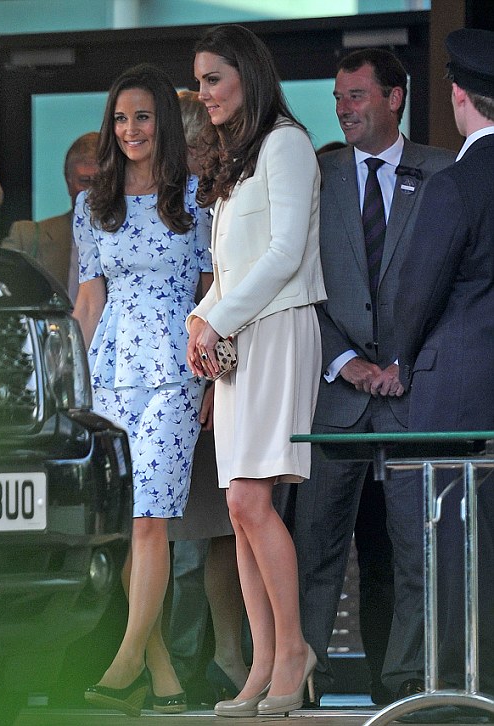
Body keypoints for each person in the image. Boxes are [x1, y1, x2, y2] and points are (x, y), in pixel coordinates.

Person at [291, 47, 455, 708]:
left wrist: (403, 362)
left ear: (396, 98)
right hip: (335, 396)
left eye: (356, 95)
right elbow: (298, 288)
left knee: (419, 549)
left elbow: (461, 285)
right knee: (314, 551)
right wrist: (345, 362)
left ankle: (410, 684)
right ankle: (301, 676)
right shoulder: (314, 176)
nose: (343, 109)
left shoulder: (446, 174)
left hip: (415, 394)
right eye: (338, 97)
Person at [187, 24, 326, 718]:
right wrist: (199, 318)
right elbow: (235, 267)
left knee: (248, 502)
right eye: (200, 80)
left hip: (278, 329)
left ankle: (294, 650)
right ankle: (265, 661)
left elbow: (283, 253)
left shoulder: (288, 143)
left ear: (246, 73)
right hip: (241, 331)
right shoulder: (236, 156)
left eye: (213, 77)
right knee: (242, 514)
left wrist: (217, 317)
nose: (203, 92)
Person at [72, 63, 212, 717]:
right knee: (130, 526)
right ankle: (163, 675)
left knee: (152, 518)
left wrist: (217, 376)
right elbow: (88, 302)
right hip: (108, 374)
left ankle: (124, 662)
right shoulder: (91, 203)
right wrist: (72, 391)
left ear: (164, 122)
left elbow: (216, 292)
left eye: (144, 116)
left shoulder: (198, 196)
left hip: (176, 370)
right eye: (121, 118)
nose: (131, 129)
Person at [395, 27, 494, 724]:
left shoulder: (457, 183)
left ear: (459, 96)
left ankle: (458, 693)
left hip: (458, 394)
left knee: (452, 548)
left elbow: (413, 294)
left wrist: (397, 358)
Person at [168, 89, 248, 703]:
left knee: (223, 525)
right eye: (194, 143)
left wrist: (215, 380)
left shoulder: (216, 201)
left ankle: (224, 653)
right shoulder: (160, 204)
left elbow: (223, 295)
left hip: (213, 376)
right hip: (161, 378)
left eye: (202, 142)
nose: (202, 153)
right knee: (161, 531)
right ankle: (168, 663)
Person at [2, 132, 99, 298]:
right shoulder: (28, 238)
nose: (93, 192)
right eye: (85, 181)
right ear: (69, 182)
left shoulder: (140, 239)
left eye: (103, 182)